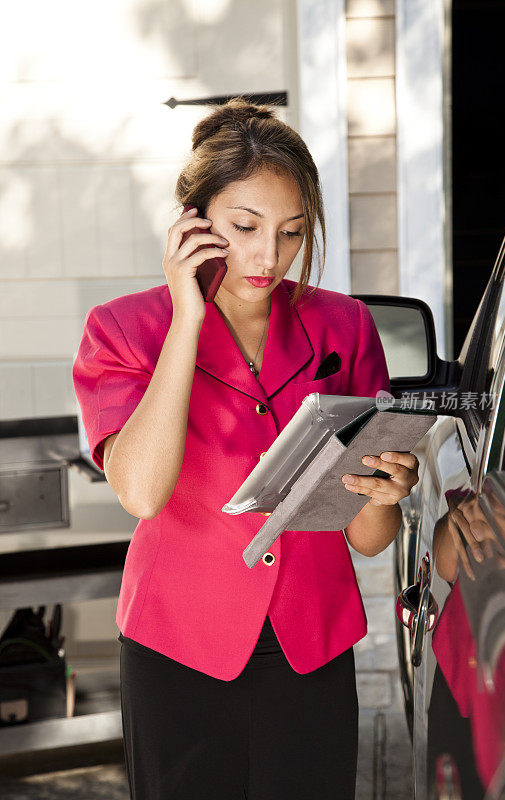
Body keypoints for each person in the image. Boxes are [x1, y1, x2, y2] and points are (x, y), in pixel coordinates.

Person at [72, 97, 420, 800]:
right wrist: (185, 320)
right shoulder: (123, 328)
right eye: (244, 227)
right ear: (193, 221)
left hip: (309, 645)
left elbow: (367, 538)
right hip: (178, 647)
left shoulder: (344, 326)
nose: (268, 256)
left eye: (292, 233)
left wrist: (387, 494)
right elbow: (139, 492)